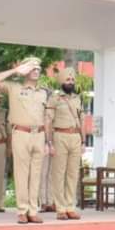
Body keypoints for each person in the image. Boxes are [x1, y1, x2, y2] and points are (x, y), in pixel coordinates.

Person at [0, 58, 49, 224]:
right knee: (22, 174)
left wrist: (47, 142)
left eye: (38, 68)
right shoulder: (14, 87)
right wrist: (16, 70)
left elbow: (46, 117)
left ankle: (33, 210)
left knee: (36, 175)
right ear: (25, 69)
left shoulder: (44, 92)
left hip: (39, 135)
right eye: (32, 67)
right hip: (21, 133)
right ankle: (22, 210)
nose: (36, 70)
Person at [47, 67, 85, 220]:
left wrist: (83, 141)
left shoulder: (77, 99)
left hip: (75, 137)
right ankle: (60, 208)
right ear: (62, 82)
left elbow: (82, 121)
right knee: (59, 174)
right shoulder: (54, 98)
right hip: (60, 136)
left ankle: (70, 207)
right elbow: (48, 120)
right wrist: (49, 141)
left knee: (73, 174)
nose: (71, 82)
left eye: (72, 80)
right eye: (68, 80)